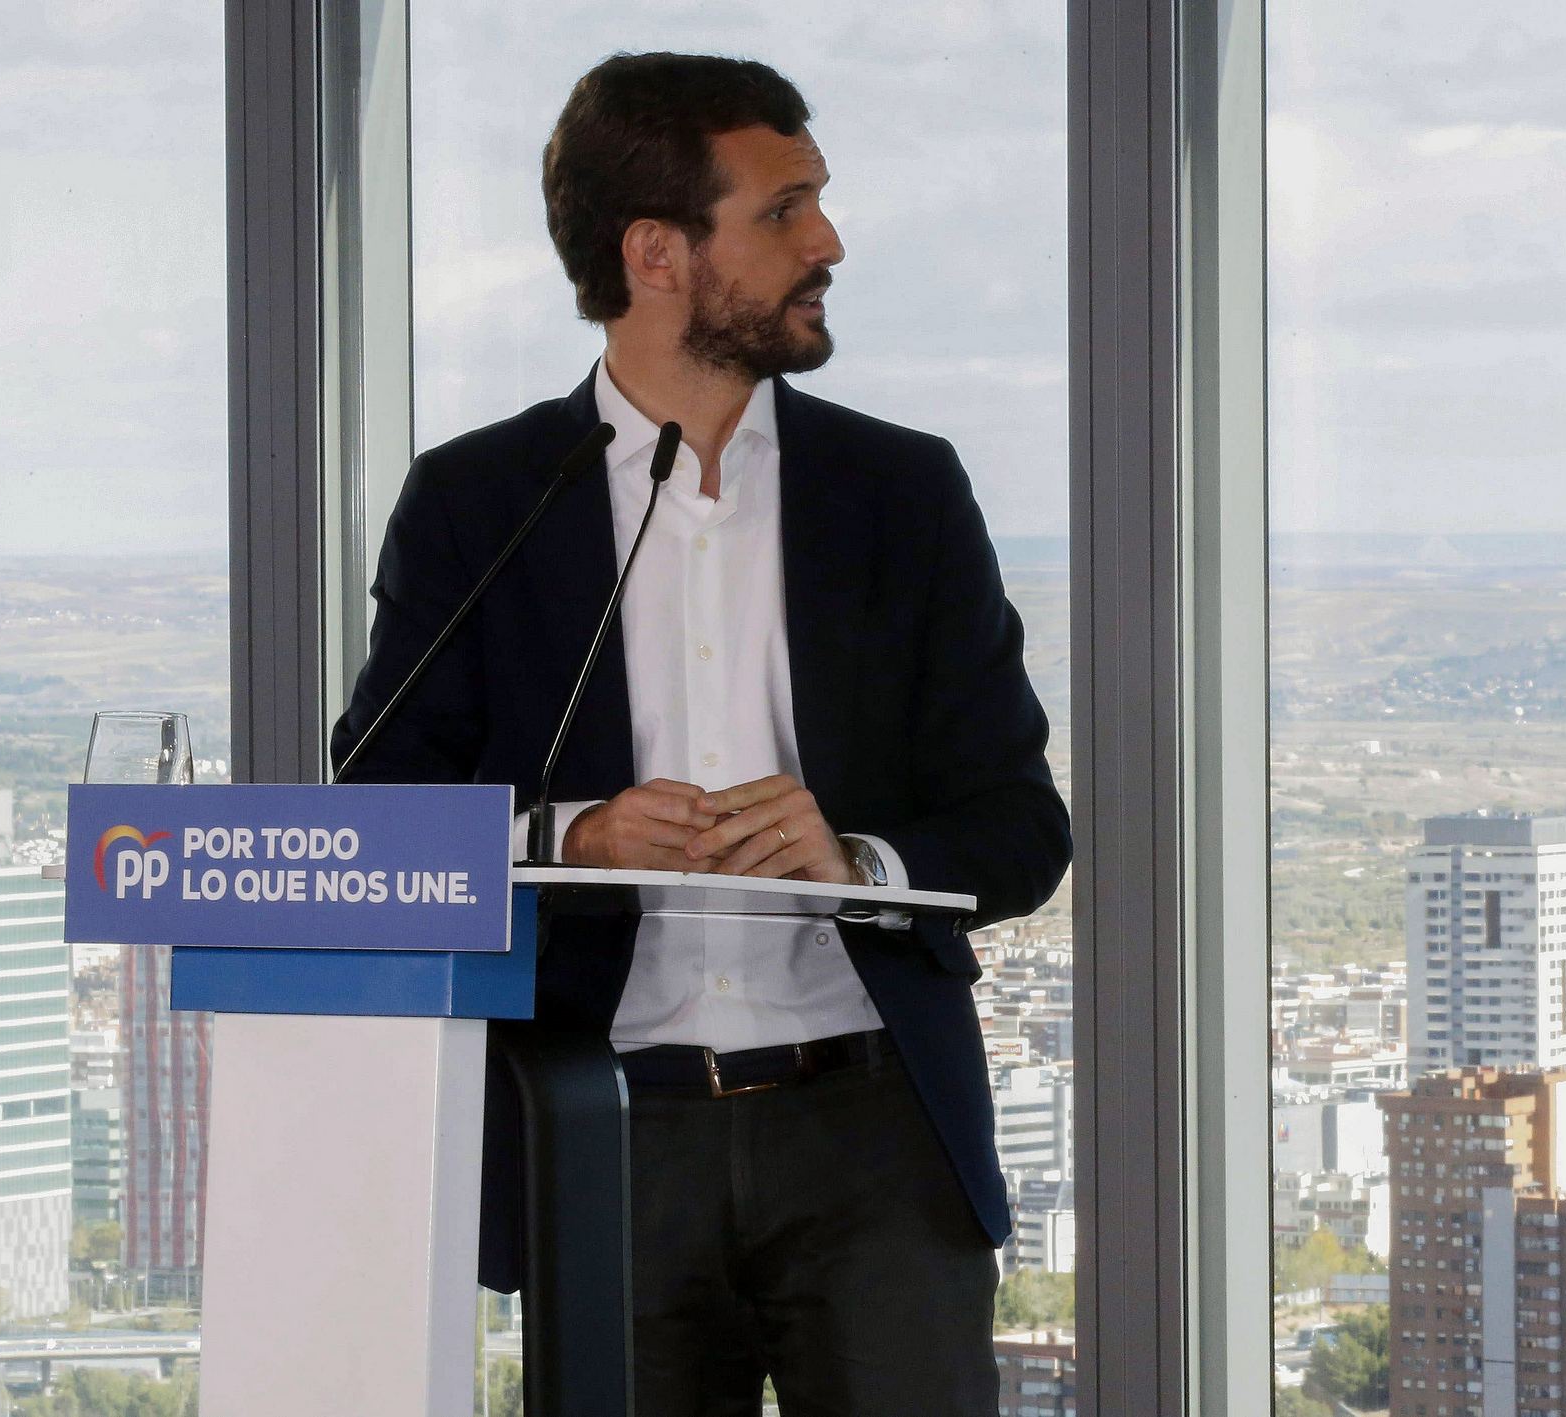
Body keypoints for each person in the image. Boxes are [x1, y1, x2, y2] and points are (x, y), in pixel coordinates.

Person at [331, 51, 1070, 1416]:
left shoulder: (902, 493)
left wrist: (862, 855)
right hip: (605, 1137)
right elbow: (377, 812)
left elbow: (1025, 825)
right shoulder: (479, 503)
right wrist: (574, 836)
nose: (828, 242)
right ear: (657, 251)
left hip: (878, 1143)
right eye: (784, 211)